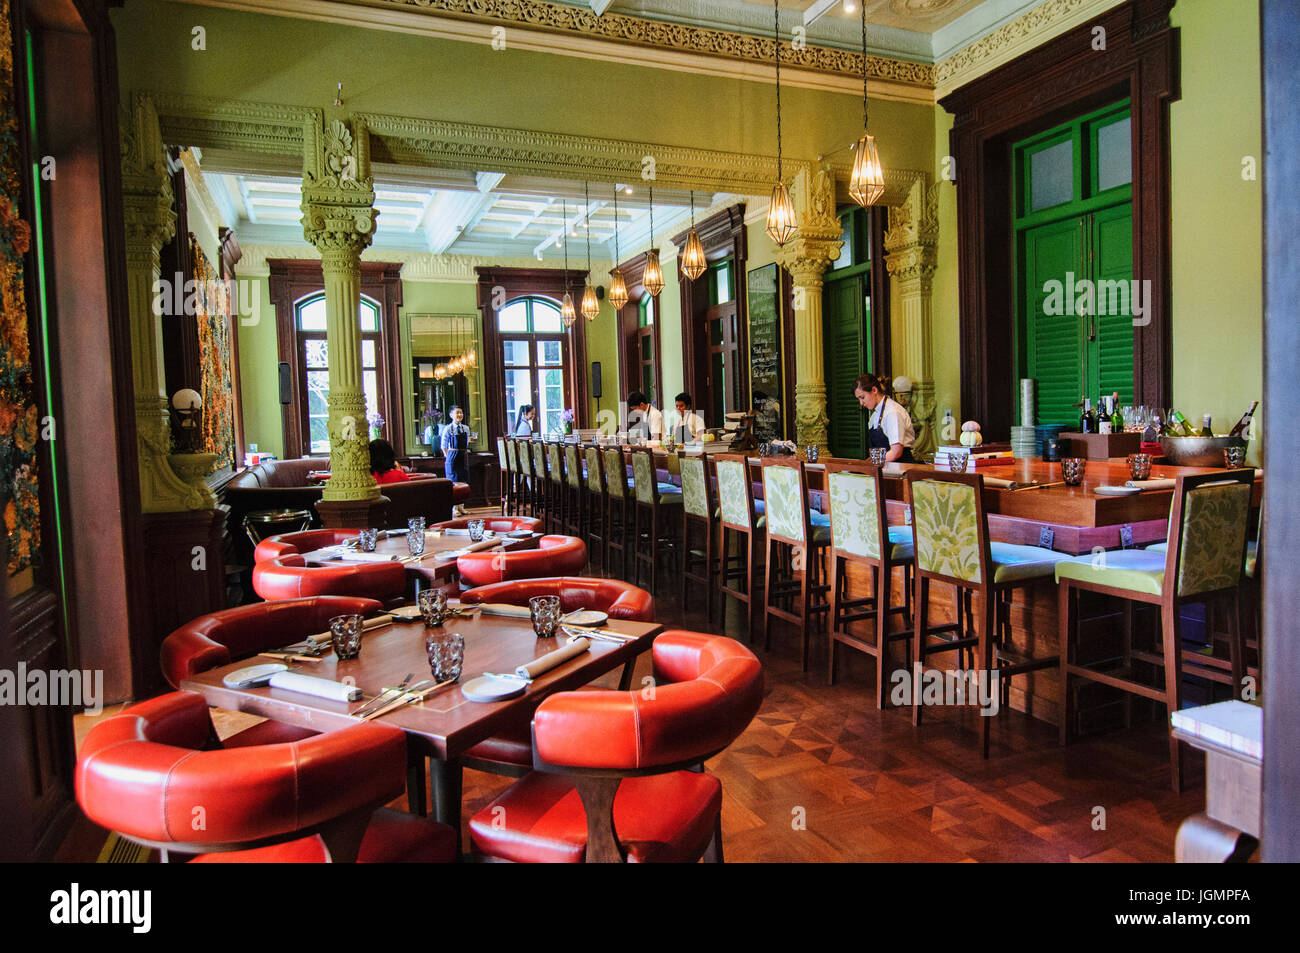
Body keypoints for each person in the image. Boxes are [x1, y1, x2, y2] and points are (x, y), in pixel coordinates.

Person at [854, 372, 915, 463]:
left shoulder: (892, 412)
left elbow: (896, 452)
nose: (861, 403)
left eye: (862, 397)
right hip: (883, 468)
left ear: (874, 390)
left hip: (900, 468)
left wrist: (870, 465)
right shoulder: (874, 416)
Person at [440, 405, 471, 482]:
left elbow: (466, 443)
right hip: (452, 457)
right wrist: (449, 457)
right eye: (457, 413)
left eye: (461, 413)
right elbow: (443, 446)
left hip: (463, 457)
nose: (460, 415)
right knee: (453, 480)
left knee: (464, 479)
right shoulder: (447, 428)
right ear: (451, 415)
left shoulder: (466, 428)